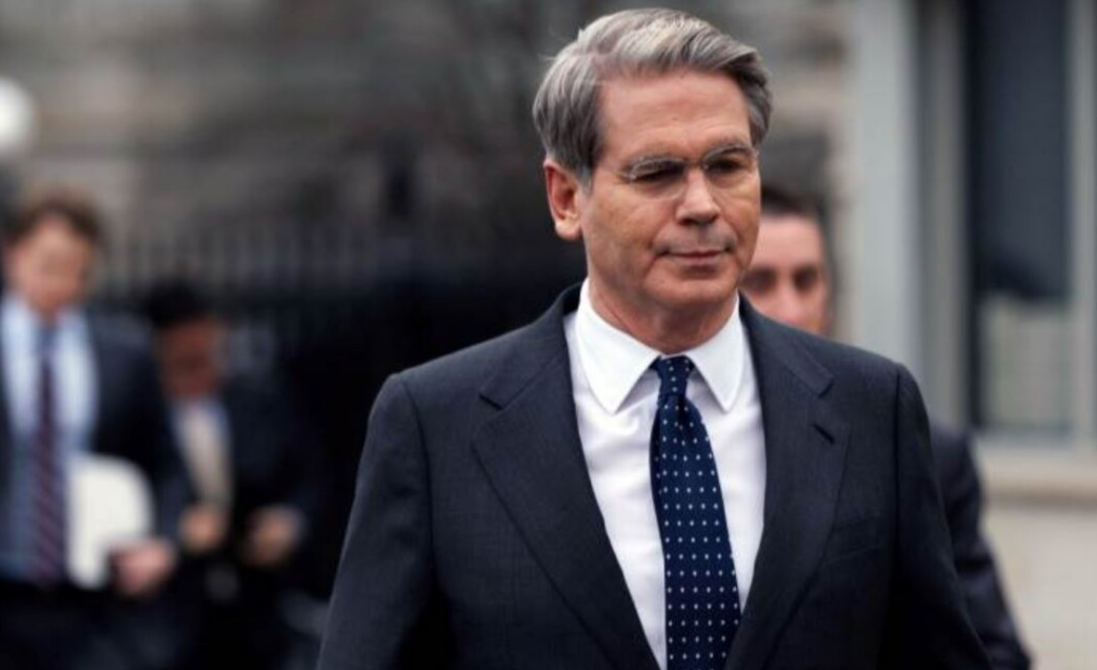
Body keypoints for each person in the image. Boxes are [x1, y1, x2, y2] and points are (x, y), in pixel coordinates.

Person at [318, 8, 989, 670]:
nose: (701, 205)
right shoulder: (437, 427)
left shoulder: (871, 409)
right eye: (658, 173)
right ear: (566, 198)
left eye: (727, 165)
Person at [741, 184, 1032, 669]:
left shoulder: (919, 447)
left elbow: (990, 652)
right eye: (761, 282)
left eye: (806, 280)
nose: (790, 307)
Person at [0, 186, 187, 670]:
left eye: (79, 269)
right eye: (50, 264)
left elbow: (167, 464)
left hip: (99, 601)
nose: (63, 283)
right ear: (12, 255)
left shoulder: (125, 355)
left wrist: (163, 540)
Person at [142, 281, 328, 670]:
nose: (202, 371)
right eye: (185, 361)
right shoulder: (137, 414)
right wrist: (174, 531)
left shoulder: (258, 398)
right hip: (168, 621)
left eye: (207, 355)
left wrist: (291, 523)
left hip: (257, 612)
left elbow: (308, 475)